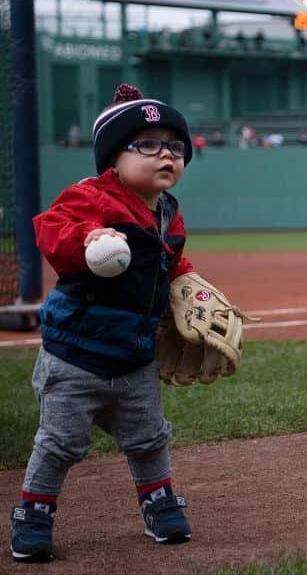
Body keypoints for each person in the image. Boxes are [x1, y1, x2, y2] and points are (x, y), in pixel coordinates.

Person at [10, 83, 198, 562]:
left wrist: (191, 285)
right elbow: (49, 231)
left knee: (149, 436)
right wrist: (89, 236)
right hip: (76, 355)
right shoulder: (89, 197)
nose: (167, 155)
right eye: (149, 144)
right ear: (113, 158)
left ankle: (159, 502)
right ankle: (34, 512)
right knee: (59, 442)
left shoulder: (168, 215)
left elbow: (170, 262)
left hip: (134, 357)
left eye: (175, 147)